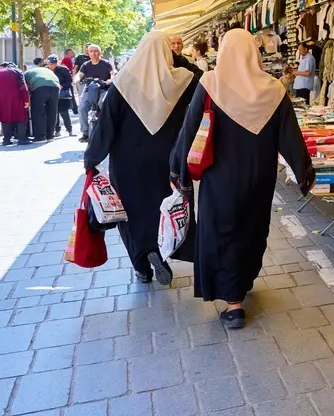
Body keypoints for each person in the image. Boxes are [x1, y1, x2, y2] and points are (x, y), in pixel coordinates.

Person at [169, 29, 314, 329]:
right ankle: (242, 283)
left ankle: (233, 303)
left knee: (222, 233)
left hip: (219, 179)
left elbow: (189, 129)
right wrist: (304, 173)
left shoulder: (210, 83)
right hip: (259, 178)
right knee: (252, 230)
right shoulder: (272, 90)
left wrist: (176, 170)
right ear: (253, 53)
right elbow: (290, 137)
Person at [85, 31, 197, 286]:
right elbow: (200, 80)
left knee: (130, 212)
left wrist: (92, 157)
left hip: (127, 162)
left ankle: (141, 265)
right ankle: (158, 252)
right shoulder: (181, 81)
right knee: (159, 209)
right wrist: (177, 60)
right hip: (164, 161)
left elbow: (106, 126)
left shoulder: (123, 83)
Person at [77, 44, 113, 142]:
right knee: (82, 108)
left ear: (100, 52)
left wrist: (110, 80)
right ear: (88, 53)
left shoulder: (106, 63)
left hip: (103, 89)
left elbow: (113, 73)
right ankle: (85, 132)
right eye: (91, 51)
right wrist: (77, 79)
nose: (94, 53)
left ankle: (106, 127)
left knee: (103, 104)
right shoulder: (85, 65)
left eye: (96, 51)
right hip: (90, 90)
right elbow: (79, 75)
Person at [25, 58, 60, 142]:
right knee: (52, 111)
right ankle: (50, 135)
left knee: (38, 111)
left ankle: (40, 136)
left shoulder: (26, 74)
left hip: (39, 87)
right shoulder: (46, 70)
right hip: (55, 86)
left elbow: (25, 88)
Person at [0, 62, 30, 146]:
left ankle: (6, 140)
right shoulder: (18, 72)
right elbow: (24, 87)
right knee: (21, 117)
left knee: (5, 118)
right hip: (16, 98)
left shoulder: (1, 72)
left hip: (2, 99)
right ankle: (22, 139)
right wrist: (26, 100)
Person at [48, 55, 75, 137]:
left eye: (53, 63)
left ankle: (69, 130)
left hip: (63, 93)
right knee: (54, 112)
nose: (51, 65)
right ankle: (56, 130)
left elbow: (69, 81)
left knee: (64, 112)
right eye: (50, 64)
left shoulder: (63, 69)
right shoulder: (46, 70)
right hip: (51, 93)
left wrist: (62, 86)